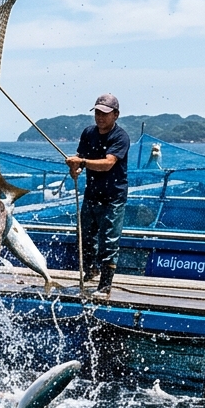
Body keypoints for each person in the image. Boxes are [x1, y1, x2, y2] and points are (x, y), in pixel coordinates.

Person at [66, 93, 130, 295]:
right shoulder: (88, 133)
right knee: (85, 235)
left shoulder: (120, 137)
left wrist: (82, 163)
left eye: (105, 113)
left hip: (113, 197)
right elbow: (81, 157)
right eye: (97, 113)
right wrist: (75, 167)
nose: (100, 117)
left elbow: (108, 163)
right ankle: (90, 269)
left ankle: (105, 284)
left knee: (109, 240)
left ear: (116, 115)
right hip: (92, 194)